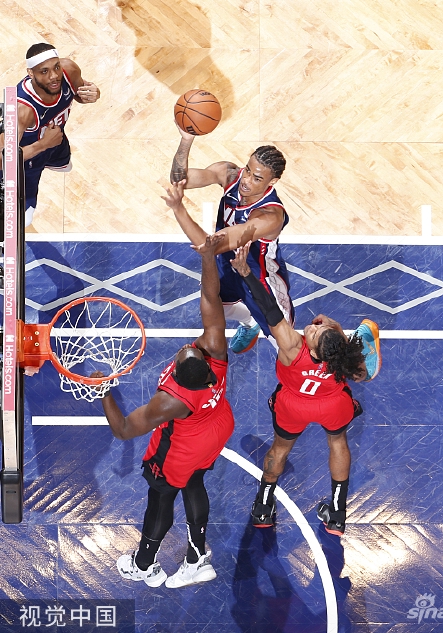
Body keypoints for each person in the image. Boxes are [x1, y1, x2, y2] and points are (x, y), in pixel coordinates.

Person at [98, 230, 233, 588]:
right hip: (217, 425)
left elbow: (123, 430)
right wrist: (208, 257)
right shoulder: (215, 349)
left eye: (185, 354)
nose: (188, 348)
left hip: (184, 445)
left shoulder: (170, 401)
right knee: (195, 479)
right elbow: (211, 296)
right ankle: (196, 558)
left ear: (179, 374)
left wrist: (103, 391)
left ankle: (144, 564)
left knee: (160, 494)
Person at [229, 242, 381, 535]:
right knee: (338, 443)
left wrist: (246, 273)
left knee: (279, 449)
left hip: (293, 405)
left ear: (311, 348)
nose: (312, 327)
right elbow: (353, 363)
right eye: (317, 327)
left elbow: (268, 307)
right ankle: (337, 513)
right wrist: (336, 328)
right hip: (332, 404)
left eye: (315, 332)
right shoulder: (341, 357)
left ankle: (263, 505)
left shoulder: (292, 346)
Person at [168, 126, 291, 354]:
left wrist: (178, 209)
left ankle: (355, 350)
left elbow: (210, 246)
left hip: (259, 277)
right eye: (248, 170)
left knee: (286, 346)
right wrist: (186, 140)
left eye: (257, 178)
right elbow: (179, 180)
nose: (246, 181)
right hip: (226, 264)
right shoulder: (231, 175)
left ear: (271, 182)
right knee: (215, 307)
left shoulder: (268, 216)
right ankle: (250, 323)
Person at [0, 42, 100, 226]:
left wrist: (93, 94)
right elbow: (3, 158)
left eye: (56, 67)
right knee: (24, 221)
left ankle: (53, 159)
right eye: (44, 71)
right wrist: (43, 144)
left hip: (57, 141)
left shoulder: (69, 70)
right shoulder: (21, 110)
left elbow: (78, 93)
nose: (54, 76)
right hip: (28, 158)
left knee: (65, 165)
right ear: (31, 74)